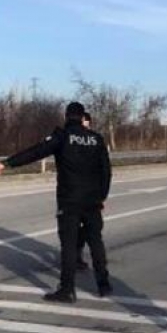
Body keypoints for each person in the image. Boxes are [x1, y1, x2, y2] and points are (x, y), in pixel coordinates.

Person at [0, 102, 113, 302]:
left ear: (66, 117)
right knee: (96, 241)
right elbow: (106, 171)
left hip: (69, 200)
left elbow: (35, 152)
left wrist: (6, 163)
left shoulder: (62, 137)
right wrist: (102, 196)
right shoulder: (96, 139)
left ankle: (67, 289)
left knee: (69, 246)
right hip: (92, 200)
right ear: (82, 118)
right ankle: (104, 284)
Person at [75, 113, 93, 271]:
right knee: (73, 225)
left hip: (89, 193)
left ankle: (77, 253)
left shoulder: (93, 141)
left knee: (87, 227)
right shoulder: (72, 140)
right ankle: (74, 256)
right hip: (73, 191)